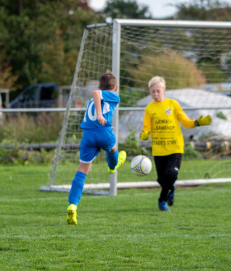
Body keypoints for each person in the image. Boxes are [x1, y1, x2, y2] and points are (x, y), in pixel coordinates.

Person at [139, 76, 212, 211]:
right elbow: (147, 127)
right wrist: (145, 134)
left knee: (171, 174)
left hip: (175, 147)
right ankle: (171, 189)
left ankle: (162, 201)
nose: (155, 94)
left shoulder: (173, 104)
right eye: (152, 91)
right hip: (159, 149)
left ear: (164, 90)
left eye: (158, 91)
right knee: (162, 180)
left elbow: (185, 122)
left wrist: (197, 122)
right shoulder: (149, 108)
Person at [67, 71, 127, 225]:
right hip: (103, 133)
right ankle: (113, 166)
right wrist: (101, 116)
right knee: (113, 148)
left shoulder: (91, 102)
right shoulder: (114, 95)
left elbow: (97, 99)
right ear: (116, 88)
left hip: (88, 135)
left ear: (100, 85)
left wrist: (103, 119)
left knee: (82, 171)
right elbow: (96, 93)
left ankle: (72, 205)